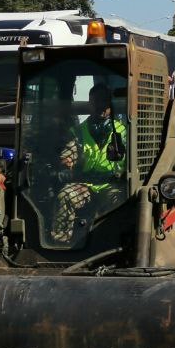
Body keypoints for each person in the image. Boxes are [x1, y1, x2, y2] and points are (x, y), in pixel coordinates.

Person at [52, 82, 128, 244]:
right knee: (66, 195)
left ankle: (110, 243)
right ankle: (60, 241)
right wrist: (66, 167)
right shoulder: (78, 131)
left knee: (119, 200)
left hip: (112, 185)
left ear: (110, 104)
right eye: (97, 102)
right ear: (90, 104)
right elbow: (69, 154)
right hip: (85, 184)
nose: (102, 106)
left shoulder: (123, 131)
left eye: (105, 102)